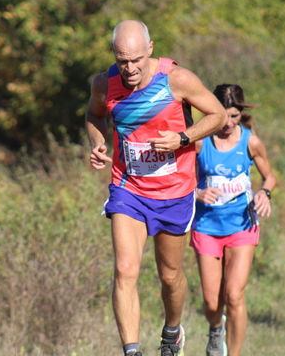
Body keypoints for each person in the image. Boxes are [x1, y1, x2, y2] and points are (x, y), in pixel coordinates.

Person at [85, 20, 226, 356]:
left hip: (174, 191)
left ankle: (172, 331)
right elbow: (93, 116)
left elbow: (217, 115)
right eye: (122, 61)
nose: (130, 69)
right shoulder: (104, 84)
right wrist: (97, 142)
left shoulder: (177, 80)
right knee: (124, 269)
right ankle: (132, 351)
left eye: (135, 59)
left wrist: (182, 138)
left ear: (150, 49)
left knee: (170, 275)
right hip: (128, 187)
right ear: (114, 57)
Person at [190, 84, 275, 356]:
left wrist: (265, 192)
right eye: (223, 116)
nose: (228, 123)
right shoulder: (200, 141)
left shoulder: (250, 141)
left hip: (242, 226)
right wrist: (197, 192)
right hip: (206, 227)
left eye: (234, 116)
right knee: (212, 302)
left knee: (235, 295)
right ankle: (216, 331)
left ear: (241, 114)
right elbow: (180, 178)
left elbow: (270, 176)